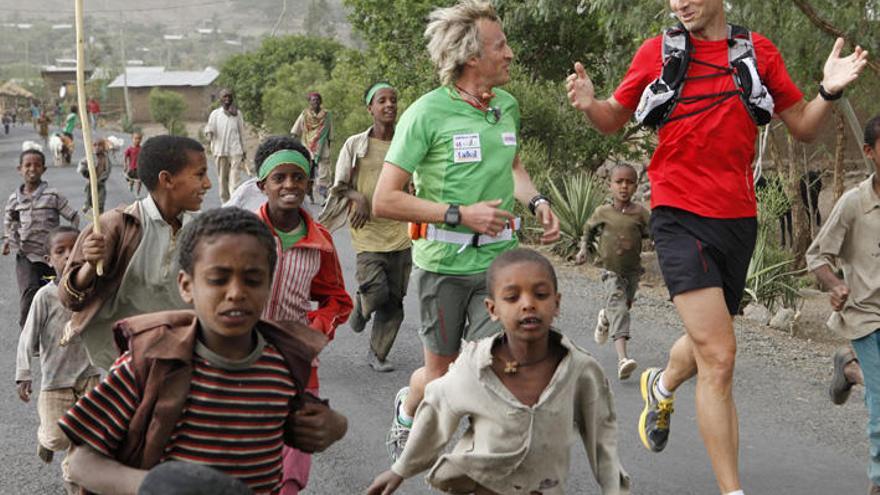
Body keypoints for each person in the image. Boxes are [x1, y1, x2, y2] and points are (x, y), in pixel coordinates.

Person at [565, 1, 868, 493]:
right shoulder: (656, 53)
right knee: (721, 355)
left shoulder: (757, 52)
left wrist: (828, 89)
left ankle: (661, 385)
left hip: (737, 219)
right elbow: (611, 119)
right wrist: (589, 103)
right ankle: (732, 490)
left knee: (712, 339)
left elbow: (805, 127)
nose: (679, 2)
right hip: (677, 213)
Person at [371, 0, 559, 461]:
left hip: (501, 265)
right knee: (442, 377)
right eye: (502, 46)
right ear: (473, 57)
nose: (510, 54)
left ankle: (483, 466)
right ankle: (408, 403)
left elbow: (513, 166)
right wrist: (459, 214)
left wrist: (535, 200)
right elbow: (385, 199)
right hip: (443, 266)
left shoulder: (507, 107)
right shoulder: (425, 113)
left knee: (499, 369)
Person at [60, 207, 348, 495]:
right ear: (186, 286)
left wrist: (334, 426)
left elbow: (313, 420)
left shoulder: (283, 362)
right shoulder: (151, 360)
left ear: (269, 284)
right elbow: (81, 461)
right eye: (218, 279)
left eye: (252, 279)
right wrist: (149, 486)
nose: (235, 292)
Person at [366, 248, 629, 495]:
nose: (528, 304)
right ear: (492, 309)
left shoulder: (580, 370)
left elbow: (602, 440)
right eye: (512, 297)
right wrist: (399, 470)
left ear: (557, 304)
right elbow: (436, 410)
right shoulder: (475, 367)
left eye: (541, 294)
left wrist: (614, 489)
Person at [251, 135, 353, 495]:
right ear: (263, 185)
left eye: (298, 177)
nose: (289, 185)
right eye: (279, 178)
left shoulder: (320, 240)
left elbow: (337, 300)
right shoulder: (243, 232)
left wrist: (315, 330)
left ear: (309, 182)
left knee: (293, 456)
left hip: (296, 361)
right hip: (241, 354)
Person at [58, 135, 212, 371]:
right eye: (199, 175)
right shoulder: (115, 226)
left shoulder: (203, 230)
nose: (208, 184)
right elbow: (69, 297)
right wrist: (90, 266)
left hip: (182, 355)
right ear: (167, 179)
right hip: (123, 361)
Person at [807, 114, 880, 494]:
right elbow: (817, 255)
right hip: (865, 316)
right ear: (869, 152)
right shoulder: (854, 203)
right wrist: (834, 285)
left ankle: (850, 371)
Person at [320, 82, 411, 372]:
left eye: (393, 100)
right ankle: (363, 305)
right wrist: (357, 197)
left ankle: (378, 354)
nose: (389, 105)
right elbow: (338, 187)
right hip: (367, 230)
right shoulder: (355, 144)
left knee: (394, 300)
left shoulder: (407, 143)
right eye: (382, 100)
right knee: (375, 289)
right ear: (370, 108)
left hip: (401, 232)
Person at [15, 226, 100, 481]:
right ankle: (45, 439)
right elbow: (27, 335)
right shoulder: (45, 296)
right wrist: (24, 372)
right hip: (55, 379)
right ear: (49, 260)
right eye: (59, 251)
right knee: (57, 437)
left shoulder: (93, 291)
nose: (67, 256)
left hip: (89, 373)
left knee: (89, 433)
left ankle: (73, 475)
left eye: (73, 250)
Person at [575, 163, 650, 380]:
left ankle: (605, 317)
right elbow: (588, 231)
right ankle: (623, 359)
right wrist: (582, 251)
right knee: (621, 310)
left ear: (635, 187)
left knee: (624, 306)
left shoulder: (641, 214)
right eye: (619, 182)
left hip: (633, 272)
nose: (624, 187)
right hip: (610, 271)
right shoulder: (603, 212)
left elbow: (652, 234)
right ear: (611, 185)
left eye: (629, 182)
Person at [3, 149, 80, 328]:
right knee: (29, 293)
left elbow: (73, 216)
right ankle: (28, 333)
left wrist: (75, 243)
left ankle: (63, 329)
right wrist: (9, 240)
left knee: (58, 292)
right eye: (27, 165)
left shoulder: (52, 196)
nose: (32, 169)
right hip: (27, 256)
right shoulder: (14, 199)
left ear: (44, 169)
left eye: (37, 165)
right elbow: (10, 222)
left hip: (53, 257)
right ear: (19, 169)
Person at [205, 88, 248, 202]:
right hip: (220, 151)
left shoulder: (237, 114)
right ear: (220, 99)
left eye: (229, 96)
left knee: (234, 180)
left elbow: (241, 132)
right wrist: (209, 134)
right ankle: (225, 203)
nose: (227, 99)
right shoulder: (215, 114)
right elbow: (210, 127)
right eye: (225, 97)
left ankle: (234, 203)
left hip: (235, 150)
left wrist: (244, 149)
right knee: (222, 180)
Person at [291, 92, 333, 200]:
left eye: (317, 100)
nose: (315, 102)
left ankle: (324, 195)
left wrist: (329, 145)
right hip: (307, 147)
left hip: (322, 148)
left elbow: (330, 133)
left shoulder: (327, 115)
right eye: (313, 100)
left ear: (321, 101)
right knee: (308, 172)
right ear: (309, 102)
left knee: (324, 174)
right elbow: (296, 131)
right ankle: (309, 191)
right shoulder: (305, 115)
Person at [77, 139, 112, 214]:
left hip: (101, 184)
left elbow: (107, 170)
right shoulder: (90, 157)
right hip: (91, 183)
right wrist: (84, 171)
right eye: (95, 145)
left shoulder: (105, 158)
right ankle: (87, 205)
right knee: (89, 196)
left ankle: (100, 217)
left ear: (103, 147)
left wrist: (101, 179)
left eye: (100, 145)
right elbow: (82, 164)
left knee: (100, 202)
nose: (97, 147)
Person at [124, 132, 143, 196]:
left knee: (139, 181)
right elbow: (125, 156)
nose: (137, 140)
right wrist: (125, 165)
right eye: (135, 138)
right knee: (131, 180)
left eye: (139, 139)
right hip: (132, 168)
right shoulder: (130, 149)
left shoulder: (141, 149)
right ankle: (131, 185)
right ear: (132, 139)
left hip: (139, 168)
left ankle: (137, 193)